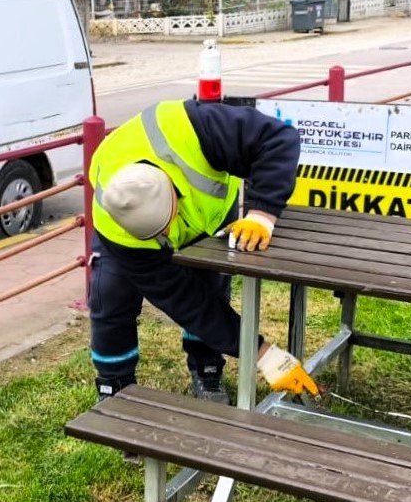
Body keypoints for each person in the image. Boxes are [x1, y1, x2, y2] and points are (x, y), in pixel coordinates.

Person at [89, 99, 319, 405]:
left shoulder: (193, 129)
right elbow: (188, 303)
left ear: (172, 191)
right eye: (157, 234)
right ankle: (115, 390)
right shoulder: (118, 225)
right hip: (128, 241)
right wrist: (263, 353)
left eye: (165, 226)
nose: (168, 238)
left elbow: (279, 139)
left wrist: (261, 214)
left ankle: (207, 370)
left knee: (211, 285)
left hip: (210, 215)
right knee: (111, 294)